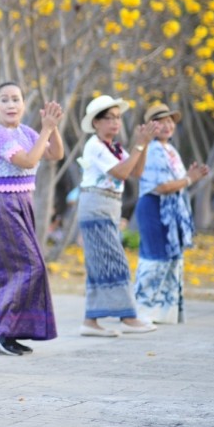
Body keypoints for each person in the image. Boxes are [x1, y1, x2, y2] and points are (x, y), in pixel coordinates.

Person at [0, 82, 64, 355]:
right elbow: (27, 161)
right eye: (4, 99)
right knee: (29, 266)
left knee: (21, 268)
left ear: (24, 105)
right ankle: (1, 332)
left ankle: (9, 332)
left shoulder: (27, 131)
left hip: (23, 202)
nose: (11, 104)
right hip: (3, 203)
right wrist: (47, 129)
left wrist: (52, 127)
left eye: (16, 99)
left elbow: (55, 154)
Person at [77, 95, 159, 337]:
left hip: (109, 206)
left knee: (100, 264)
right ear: (96, 123)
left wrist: (142, 145)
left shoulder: (115, 147)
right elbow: (122, 173)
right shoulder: (94, 145)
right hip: (96, 205)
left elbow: (137, 170)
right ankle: (128, 316)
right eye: (109, 118)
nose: (115, 122)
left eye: (118, 118)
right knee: (116, 261)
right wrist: (140, 145)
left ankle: (90, 322)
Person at [131, 102, 209, 324]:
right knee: (155, 258)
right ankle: (143, 310)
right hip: (154, 206)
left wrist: (189, 178)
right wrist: (189, 179)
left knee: (172, 259)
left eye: (169, 121)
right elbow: (161, 186)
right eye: (160, 122)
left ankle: (165, 311)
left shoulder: (171, 150)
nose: (166, 126)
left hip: (172, 210)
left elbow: (177, 183)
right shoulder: (153, 149)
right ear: (150, 127)